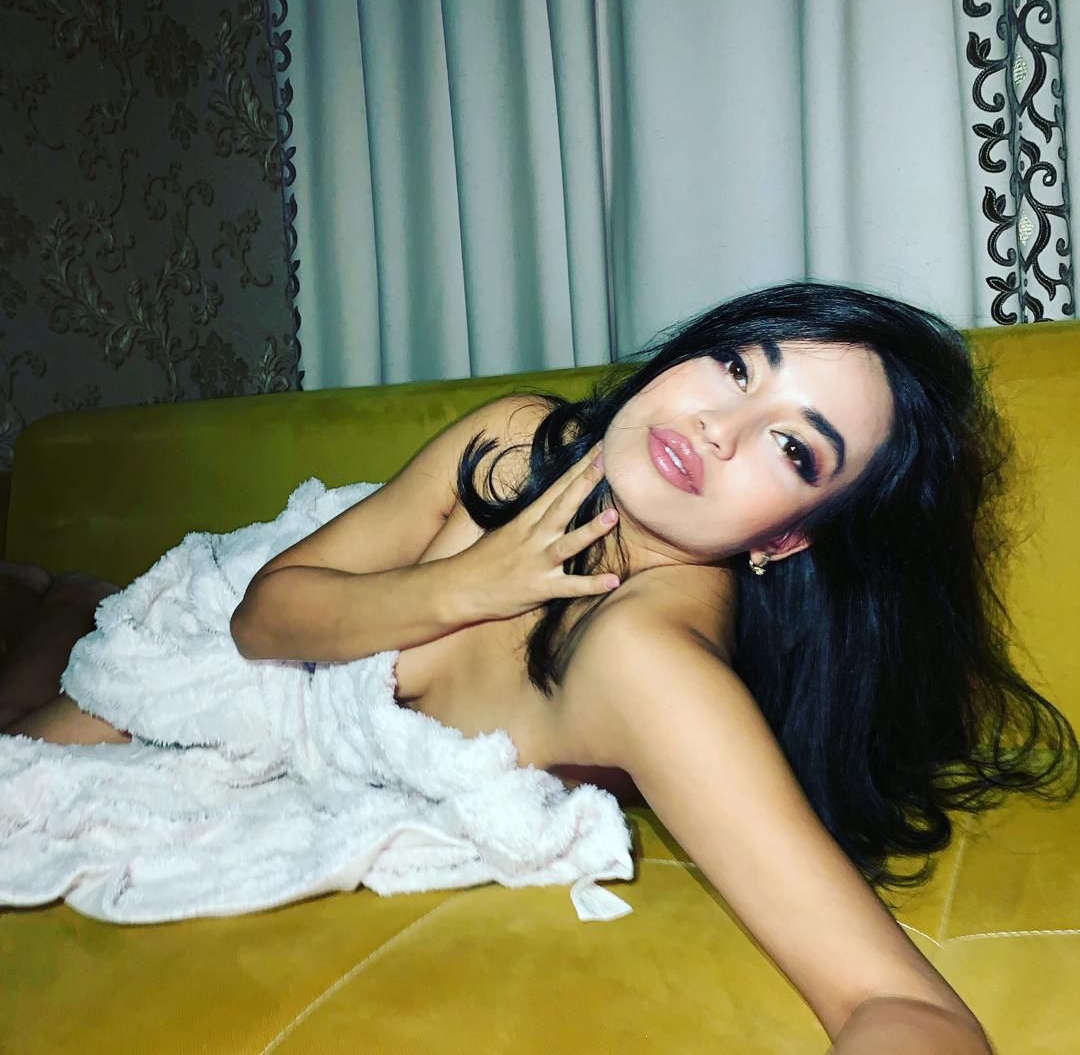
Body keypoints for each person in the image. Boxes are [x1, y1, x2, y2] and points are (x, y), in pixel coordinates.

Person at [2, 281, 1076, 1052]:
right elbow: (261, 620)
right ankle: (69, 599)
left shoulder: (649, 667)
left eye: (793, 449)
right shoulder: (519, 441)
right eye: (739, 366)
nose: (717, 426)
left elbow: (900, 1006)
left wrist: (473, 589)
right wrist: (470, 583)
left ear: (788, 538)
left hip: (308, 678)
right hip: (277, 609)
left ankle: (61, 600)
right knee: (49, 718)